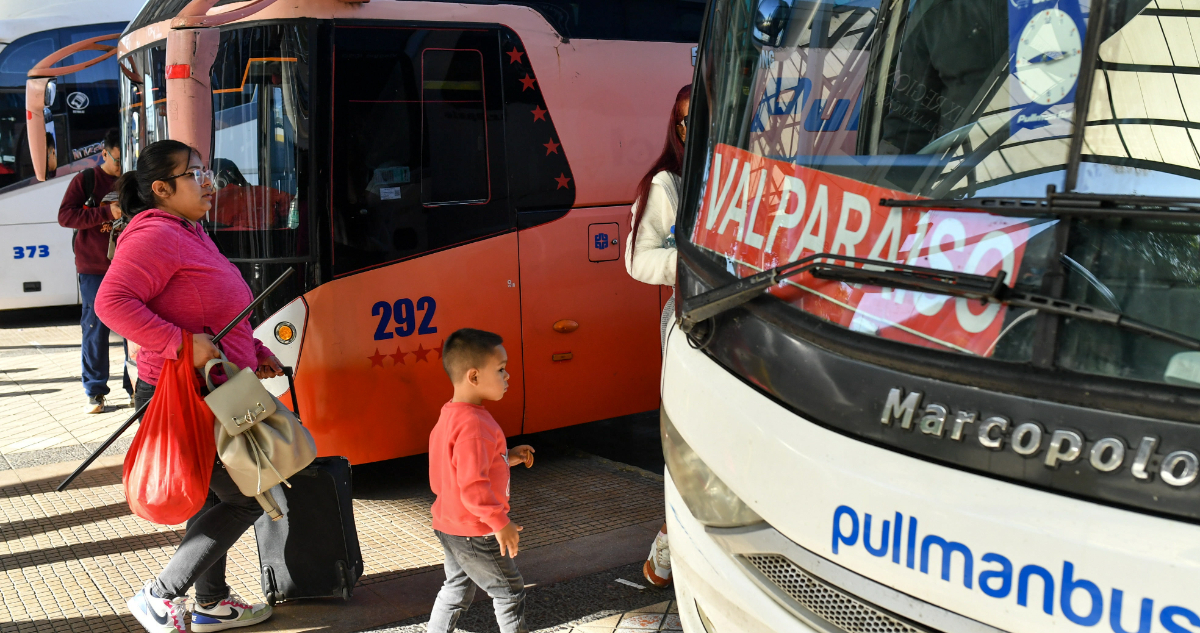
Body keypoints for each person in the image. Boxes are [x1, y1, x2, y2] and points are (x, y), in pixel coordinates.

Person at [95, 139, 284, 633]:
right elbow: (111, 303)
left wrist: (255, 352)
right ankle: (160, 597)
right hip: (185, 393)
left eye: (205, 171)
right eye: (193, 174)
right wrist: (179, 343)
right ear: (160, 188)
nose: (207, 182)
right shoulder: (154, 235)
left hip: (219, 386)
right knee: (250, 493)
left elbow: (211, 305)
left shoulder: (189, 229)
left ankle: (212, 603)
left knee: (215, 496)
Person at [624, 84, 691, 589]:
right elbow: (637, 259)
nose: (696, 130)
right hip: (691, 324)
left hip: (748, 322)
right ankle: (667, 552)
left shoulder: (748, 179)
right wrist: (694, 263)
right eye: (687, 122)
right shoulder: (667, 183)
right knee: (687, 442)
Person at [427, 328, 535, 633]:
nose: (507, 376)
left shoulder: (451, 415)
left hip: (449, 524)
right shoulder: (474, 424)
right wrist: (500, 523)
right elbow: (473, 487)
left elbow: (453, 468)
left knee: (456, 589)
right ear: (473, 377)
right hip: (477, 530)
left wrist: (506, 457)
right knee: (509, 592)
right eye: (500, 369)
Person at [57, 128, 131, 413]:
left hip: (129, 266)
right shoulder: (86, 180)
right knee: (94, 328)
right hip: (94, 268)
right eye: (117, 161)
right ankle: (95, 391)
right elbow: (65, 216)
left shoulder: (134, 180)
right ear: (104, 154)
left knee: (133, 330)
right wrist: (105, 213)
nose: (121, 168)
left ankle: (134, 387)